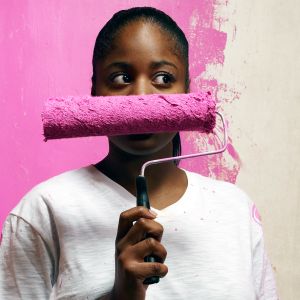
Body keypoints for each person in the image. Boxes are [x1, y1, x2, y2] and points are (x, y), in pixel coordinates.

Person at [0, 7, 278, 300]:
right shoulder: (43, 211)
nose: (142, 95)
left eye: (163, 78)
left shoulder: (235, 209)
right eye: (121, 78)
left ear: (188, 92)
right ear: (95, 93)